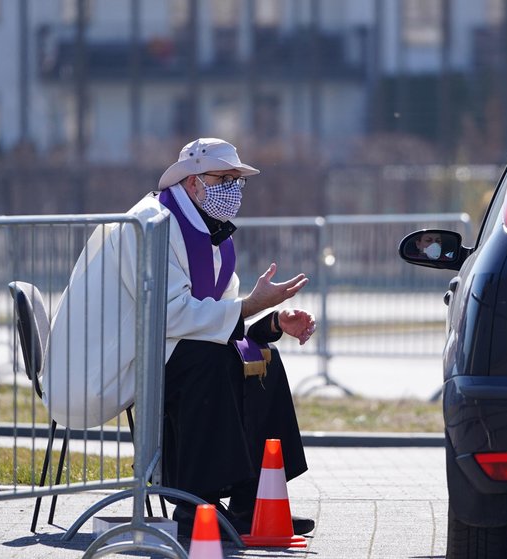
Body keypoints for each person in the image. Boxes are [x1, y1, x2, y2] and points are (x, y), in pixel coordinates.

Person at [44, 138, 316, 538]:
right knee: (211, 364)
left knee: (262, 359)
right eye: (224, 178)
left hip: (162, 348)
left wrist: (271, 322)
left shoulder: (206, 229)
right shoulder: (151, 223)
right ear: (192, 182)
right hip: (110, 362)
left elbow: (219, 314)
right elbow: (171, 314)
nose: (233, 189)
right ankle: (194, 506)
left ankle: (254, 503)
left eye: (237, 180)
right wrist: (249, 307)